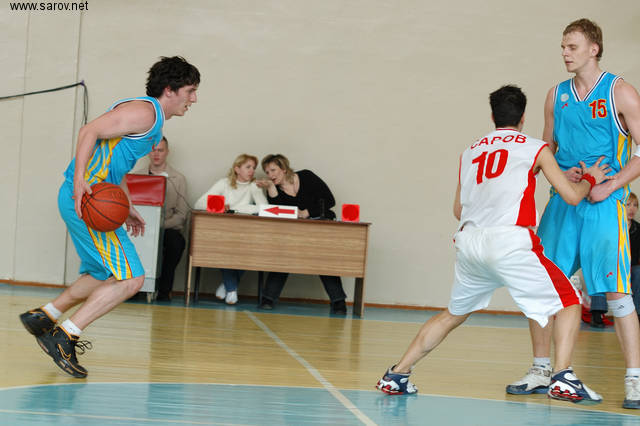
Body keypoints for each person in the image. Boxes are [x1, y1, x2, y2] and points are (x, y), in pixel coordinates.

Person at [376, 85, 609, 404]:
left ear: (492, 116)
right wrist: (591, 178)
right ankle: (563, 377)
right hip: (508, 241)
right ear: (523, 117)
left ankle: (397, 374)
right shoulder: (537, 148)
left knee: (452, 314)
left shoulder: (471, 151)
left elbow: (458, 209)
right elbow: (570, 196)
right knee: (569, 301)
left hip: (470, 242)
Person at [18, 56, 200, 378]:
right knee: (132, 279)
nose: (194, 99)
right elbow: (89, 130)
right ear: (170, 90)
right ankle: (65, 336)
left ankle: (45, 315)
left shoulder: (153, 123)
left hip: (88, 197)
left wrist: (126, 204)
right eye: (190, 91)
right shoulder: (146, 113)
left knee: (101, 272)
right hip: (86, 199)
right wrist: (79, 181)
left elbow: (117, 165)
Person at [506, 19, 640, 409]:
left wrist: (611, 185)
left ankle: (634, 380)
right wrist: (555, 172)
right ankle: (541, 369)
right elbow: (547, 147)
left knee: (617, 293)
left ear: (593, 48)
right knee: (542, 288)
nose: (565, 53)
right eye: (563, 46)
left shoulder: (620, 92)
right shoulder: (556, 95)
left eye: (572, 46)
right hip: (563, 203)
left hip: (604, 205)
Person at [256, 154, 347, 315]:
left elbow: (329, 200)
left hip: (320, 225)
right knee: (283, 254)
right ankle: (268, 298)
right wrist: (271, 189)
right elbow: (279, 214)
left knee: (324, 258)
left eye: (273, 170)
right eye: (267, 172)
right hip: (293, 231)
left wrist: (307, 212)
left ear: (284, 169)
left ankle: (338, 301)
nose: (270, 175)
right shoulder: (274, 189)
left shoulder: (306, 176)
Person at [193, 154, 268, 304]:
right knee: (224, 248)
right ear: (237, 169)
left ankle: (227, 286)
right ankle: (232, 289)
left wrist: (234, 207)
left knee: (249, 251)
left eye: (253, 168)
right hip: (223, 232)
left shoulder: (253, 186)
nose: (252, 171)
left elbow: (264, 209)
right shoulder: (224, 183)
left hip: (245, 233)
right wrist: (220, 205)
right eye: (248, 167)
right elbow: (199, 204)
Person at [133, 136, 189, 301]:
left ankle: (164, 290)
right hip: (140, 228)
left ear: (167, 152)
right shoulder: (135, 176)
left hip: (166, 228)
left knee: (176, 243)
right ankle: (134, 288)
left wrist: (158, 226)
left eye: (160, 150)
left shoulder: (178, 179)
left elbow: (181, 215)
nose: (156, 154)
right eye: (153, 150)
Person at [627, 193, 640, 319]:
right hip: (614, 264)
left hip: (633, 265)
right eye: (628, 205)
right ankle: (597, 312)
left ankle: (637, 312)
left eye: (635, 205)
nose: (632, 209)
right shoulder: (613, 226)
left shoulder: (638, 228)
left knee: (638, 272)